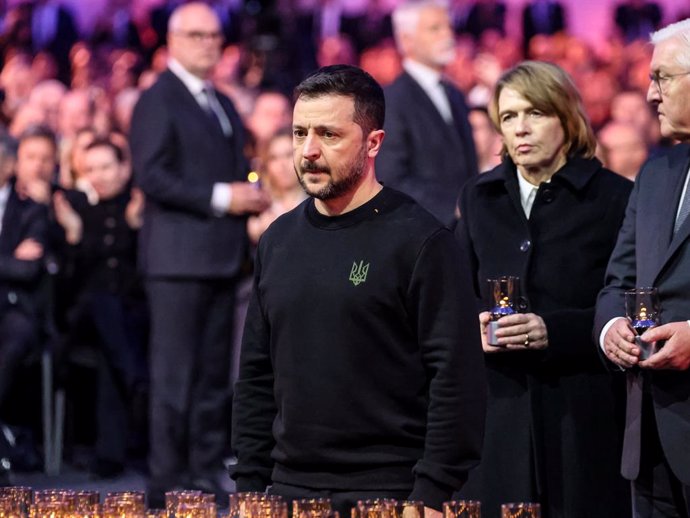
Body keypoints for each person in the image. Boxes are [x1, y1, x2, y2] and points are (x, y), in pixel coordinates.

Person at [231, 65, 486, 518]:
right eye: (299, 132)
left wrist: (431, 492)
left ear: (373, 143)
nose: (308, 151)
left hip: (391, 492)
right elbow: (255, 375)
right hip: (286, 491)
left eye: (328, 135)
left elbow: (455, 376)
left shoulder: (421, 240)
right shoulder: (277, 240)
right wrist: (250, 489)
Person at [455, 61, 632, 518]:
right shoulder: (479, 197)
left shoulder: (613, 198)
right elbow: (454, 294)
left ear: (567, 118)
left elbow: (625, 301)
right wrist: (471, 324)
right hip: (499, 413)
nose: (521, 129)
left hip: (583, 411)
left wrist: (553, 330)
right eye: (509, 117)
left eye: (535, 113)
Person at [128, 2, 271, 505]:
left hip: (220, 257)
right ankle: (166, 482)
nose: (210, 43)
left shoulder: (222, 102)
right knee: (174, 378)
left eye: (215, 36)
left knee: (213, 378)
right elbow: (151, 174)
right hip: (176, 261)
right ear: (173, 40)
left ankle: (204, 471)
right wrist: (222, 196)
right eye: (198, 35)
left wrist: (248, 196)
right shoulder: (158, 99)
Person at [595, 18, 690, 517]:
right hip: (648, 440)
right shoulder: (656, 171)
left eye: (664, 78)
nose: (652, 95)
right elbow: (619, 280)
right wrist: (611, 327)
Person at [377, 0, 477, 226]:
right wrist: (452, 208)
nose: (448, 35)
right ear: (406, 40)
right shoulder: (393, 100)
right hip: (423, 235)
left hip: (464, 234)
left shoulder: (455, 94)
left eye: (448, 27)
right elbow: (392, 178)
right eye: (435, 28)